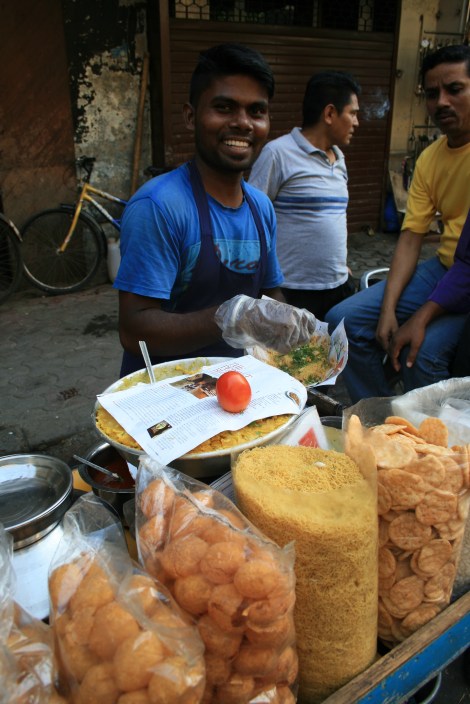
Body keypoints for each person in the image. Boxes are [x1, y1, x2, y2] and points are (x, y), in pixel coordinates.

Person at [114, 43, 316, 376]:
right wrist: (230, 317)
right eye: (224, 107)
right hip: (167, 394)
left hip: (242, 388)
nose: (243, 123)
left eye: (256, 111)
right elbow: (134, 332)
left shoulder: (260, 207)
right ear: (191, 116)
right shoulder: (160, 207)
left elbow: (269, 291)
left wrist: (288, 318)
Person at [325, 44, 470, 403]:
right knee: (343, 319)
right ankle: (381, 419)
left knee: (421, 354)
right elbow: (410, 237)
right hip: (444, 268)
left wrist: (419, 318)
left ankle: (434, 449)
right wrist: (388, 310)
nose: (441, 103)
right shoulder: (431, 158)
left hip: (466, 280)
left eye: (455, 89)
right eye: (432, 93)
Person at [248, 70, 360, 320]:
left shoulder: (339, 160)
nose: (356, 122)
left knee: (332, 356)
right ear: (330, 113)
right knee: (289, 358)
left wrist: (341, 265)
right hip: (292, 292)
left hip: (338, 288)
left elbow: (334, 219)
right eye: (352, 113)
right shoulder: (277, 154)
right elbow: (251, 219)